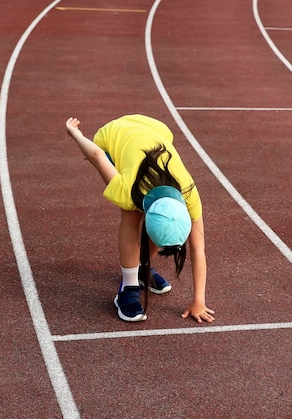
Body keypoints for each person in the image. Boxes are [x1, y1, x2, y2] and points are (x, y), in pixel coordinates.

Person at [65, 113, 215, 324]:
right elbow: (98, 155)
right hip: (112, 137)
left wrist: (199, 300)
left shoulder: (190, 196)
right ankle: (128, 287)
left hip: (156, 129)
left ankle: (142, 266)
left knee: (160, 223)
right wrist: (76, 134)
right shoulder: (129, 190)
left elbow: (199, 248)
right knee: (131, 213)